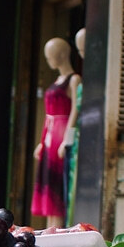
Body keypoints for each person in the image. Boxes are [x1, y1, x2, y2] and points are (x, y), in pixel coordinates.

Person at [31, 38, 78, 228]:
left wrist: (67, 139)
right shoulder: (57, 80)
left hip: (60, 136)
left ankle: (57, 229)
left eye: (51, 55)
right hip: (50, 136)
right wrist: (42, 142)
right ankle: (51, 228)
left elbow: (76, 108)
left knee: (57, 185)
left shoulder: (74, 80)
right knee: (48, 184)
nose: (49, 59)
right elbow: (48, 114)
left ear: (63, 54)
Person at [62, 29, 85, 225]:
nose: (82, 51)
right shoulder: (81, 81)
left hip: (83, 137)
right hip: (75, 138)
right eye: (79, 48)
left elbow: (74, 111)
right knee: (71, 187)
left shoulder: (78, 80)